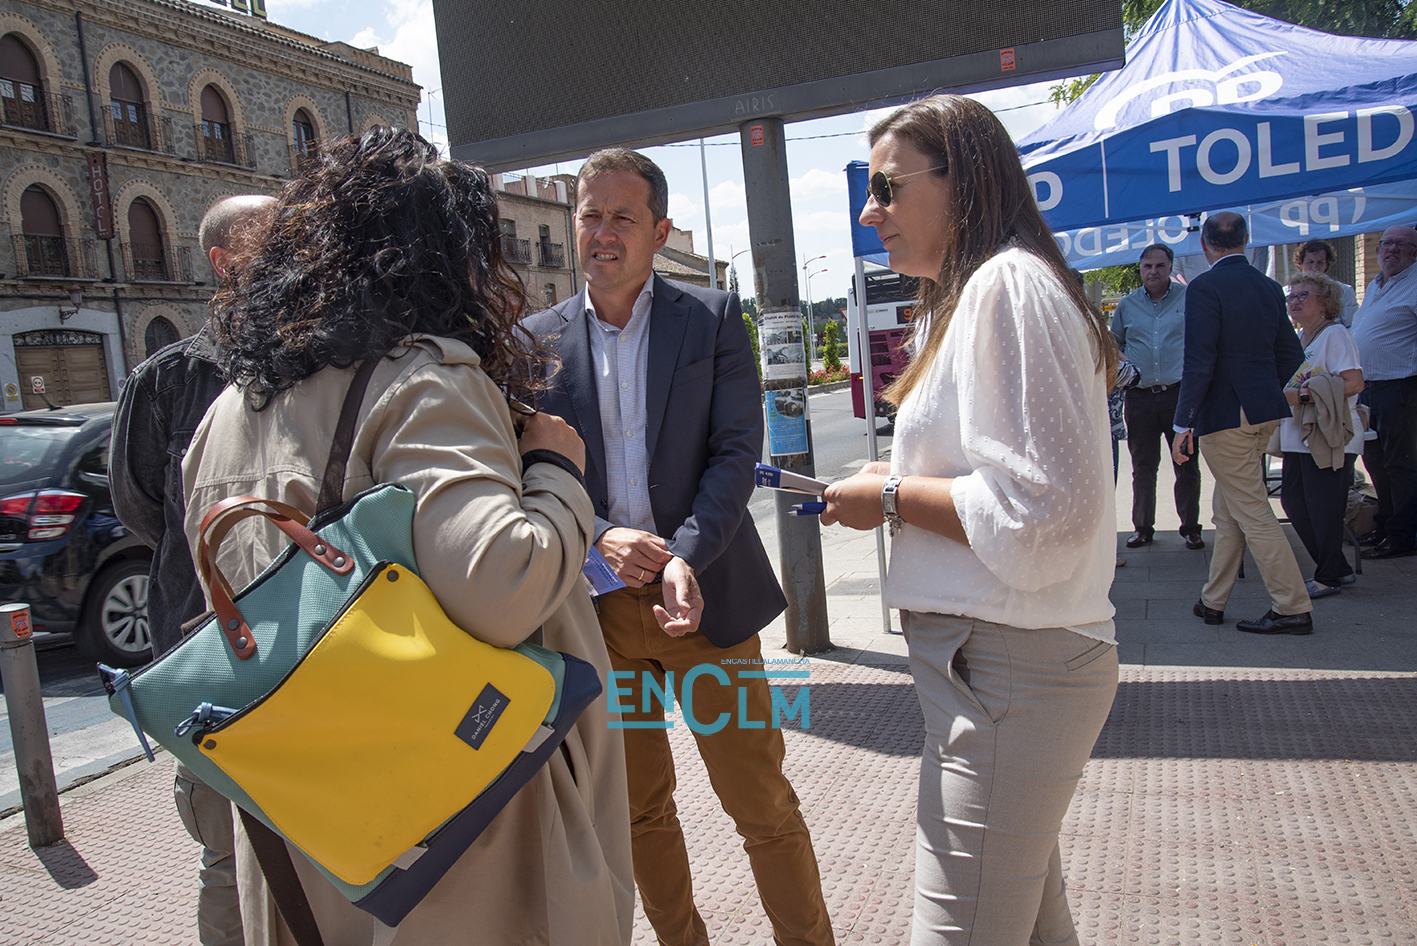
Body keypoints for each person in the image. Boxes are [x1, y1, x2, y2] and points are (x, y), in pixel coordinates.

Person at [181, 130, 633, 945]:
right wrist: (558, 469)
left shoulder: (227, 414)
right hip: (456, 840)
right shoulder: (423, 378)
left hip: (306, 824)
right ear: (444, 261)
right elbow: (505, 584)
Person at [820, 95, 1120, 946]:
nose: (868, 211)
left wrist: (886, 497)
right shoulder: (984, 292)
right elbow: (1012, 483)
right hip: (997, 668)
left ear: (964, 181)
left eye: (885, 186)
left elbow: (1046, 518)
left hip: (1009, 670)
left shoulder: (1004, 286)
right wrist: (898, 477)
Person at [522, 147, 834, 946]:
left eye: (621, 217)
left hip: (704, 607)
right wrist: (596, 535)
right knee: (636, 811)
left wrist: (684, 554)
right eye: (589, 215)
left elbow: (736, 452)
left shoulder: (713, 317)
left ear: (659, 230)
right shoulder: (531, 342)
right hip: (597, 614)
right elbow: (524, 469)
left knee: (759, 804)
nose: (601, 233)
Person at [110, 192, 275, 946]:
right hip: (202, 649)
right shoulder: (167, 381)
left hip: (305, 647)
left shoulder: (320, 363)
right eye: (278, 243)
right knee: (226, 852)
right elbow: (144, 508)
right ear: (225, 262)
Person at [1172, 211, 1311, 635]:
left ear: (1204, 244)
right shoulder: (1269, 287)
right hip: (1263, 411)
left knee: (1250, 512)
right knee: (1230, 510)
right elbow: (1291, 354)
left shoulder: (1205, 287)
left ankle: (1291, 606)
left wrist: (1183, 425)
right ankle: (1213, 600)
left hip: (1226, 416)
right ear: (1247, 240)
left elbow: (1200, 361)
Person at [1277, 272, 1365, 597]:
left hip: (1328, 435)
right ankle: (1336, 567)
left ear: (1325, 302)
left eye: (1304, 295)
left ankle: (1328, 576)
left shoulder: (1335, 335)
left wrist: (1300, 396)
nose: (1295, 301)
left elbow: (1354, 382)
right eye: (1292, 296)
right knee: (1294, 501)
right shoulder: (1303, 338)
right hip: (1299, 437)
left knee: (1323, 506)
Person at [1111, 243, 1204, 550]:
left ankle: (1190, 527)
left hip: (1179, 396)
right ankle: (1142, 528)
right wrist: (1128, 367)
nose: (1153, 271)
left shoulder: (1189, 299)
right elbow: (1114, 344)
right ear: (1140, 269)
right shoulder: (1127, 305)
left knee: (1186, 463)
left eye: (1159, 266)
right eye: (1147, 266)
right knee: (1143, 465)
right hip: (1140, 397)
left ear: (1170, 268)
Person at [1349, 224, 1417, 559]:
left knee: (1400, 467)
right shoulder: (1377, 285)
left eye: (1401, 245)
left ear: (1414, 251)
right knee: (1376, 463)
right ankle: (1388, 526)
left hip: (1400, 390)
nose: (1391, 250)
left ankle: (1404, 536)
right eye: (1386, 244)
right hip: (1368, 391)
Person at [1294, 239, 1359, 327]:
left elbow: (1352, 326)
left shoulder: (1344, 291)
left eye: (1320, 262)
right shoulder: (1288, 293)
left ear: (1327, 265)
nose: (1315, 267)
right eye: (1310, 262)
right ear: (1300, 264)